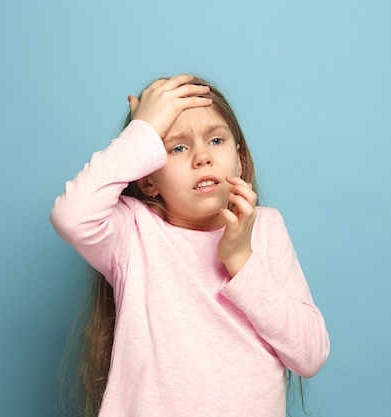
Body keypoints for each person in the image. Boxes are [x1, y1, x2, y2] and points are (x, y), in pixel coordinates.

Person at [50, 74, 330, 417]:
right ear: (148, 177)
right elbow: (71, 215)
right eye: (177, 147)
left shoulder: (266, 229)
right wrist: (143, 130)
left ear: (239, 159)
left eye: (216, 140)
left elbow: (310, 354)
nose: (202, 157)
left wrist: (242, 259)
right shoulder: (132, 232)